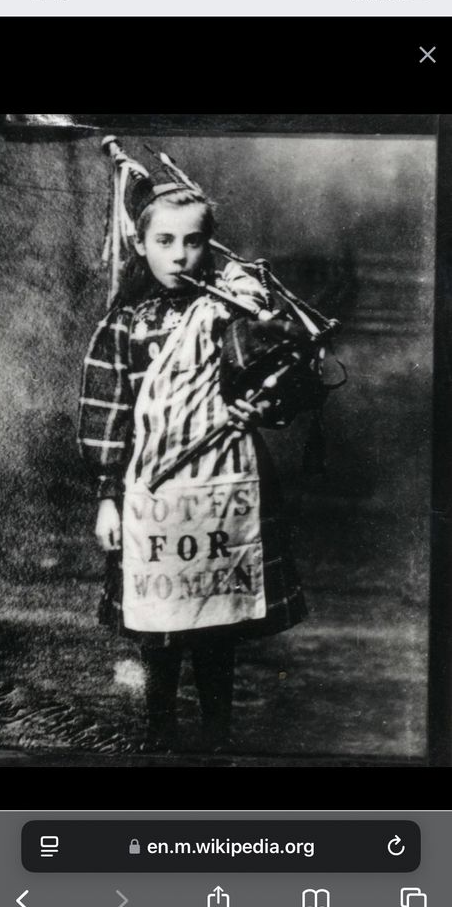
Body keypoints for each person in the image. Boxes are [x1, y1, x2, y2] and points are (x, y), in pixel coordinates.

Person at [77, 161, 306, 754]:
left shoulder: (234, 313)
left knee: (216, 618)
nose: (179, 255)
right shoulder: (125, 325)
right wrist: (107, 497)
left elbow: (283, 379)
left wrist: (262, 402)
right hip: (153, 490)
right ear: (140, 244)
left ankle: (217, 736)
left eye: (193, 240)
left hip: (224, 483)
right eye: (164, 241)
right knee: (159, 621)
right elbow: (107, 412)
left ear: (210, 244)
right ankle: (160, 733)